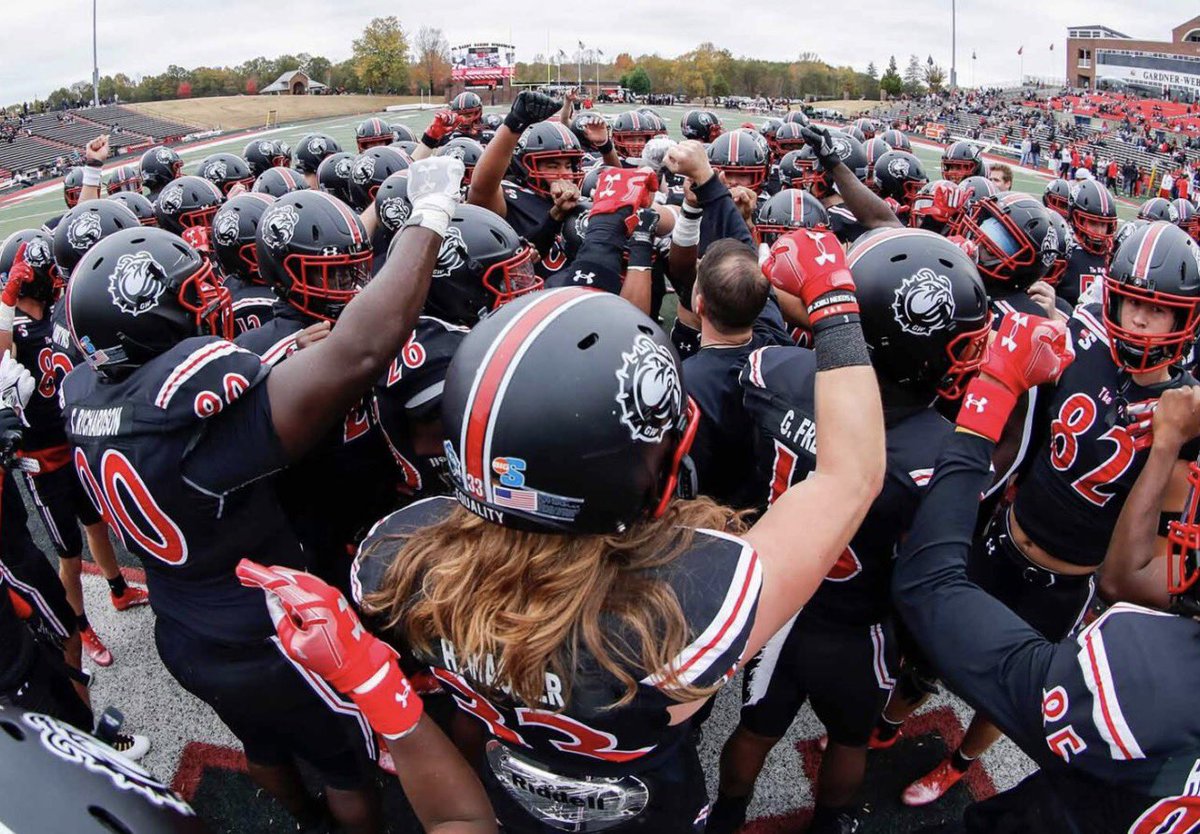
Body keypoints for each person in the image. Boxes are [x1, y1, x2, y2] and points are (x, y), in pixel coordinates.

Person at [251, 173, 886, 832]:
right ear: (648, 470)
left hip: (506, 789)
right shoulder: (690, 604)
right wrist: (835, 305)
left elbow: (455, 821)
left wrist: (377, 689)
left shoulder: (399, 564)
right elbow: (850, 475)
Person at [61, 156, 492, 833]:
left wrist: (273, 360)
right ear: (150, 320)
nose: (215, 300)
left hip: (182, 628)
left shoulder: (86, 397)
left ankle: (301, 818)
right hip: (264, 631)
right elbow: (360, 351)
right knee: (346, 764)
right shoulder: (197, 415)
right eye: (194, 293)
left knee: (264, 745)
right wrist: (432, 212)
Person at [710, 228, 990, 834]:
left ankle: (725, 817)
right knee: (850, 739)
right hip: (861, 627)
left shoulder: (771, 369)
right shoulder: (941, 454)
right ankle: (831, 823)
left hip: (779, 601)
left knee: (754, 730)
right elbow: (933, 572)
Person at [892, 310, 1200, 833]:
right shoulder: (1088, 351)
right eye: (1134, 304)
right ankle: (887, 720)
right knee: (927, 650)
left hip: (1067, 579)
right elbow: (1035, 434)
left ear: (1183, 318)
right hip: (1009, 537)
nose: (1143, 320)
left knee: (1021, 692)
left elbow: (1148, 546)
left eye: (1159, 309)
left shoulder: (1184, 415)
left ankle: (960, 763)